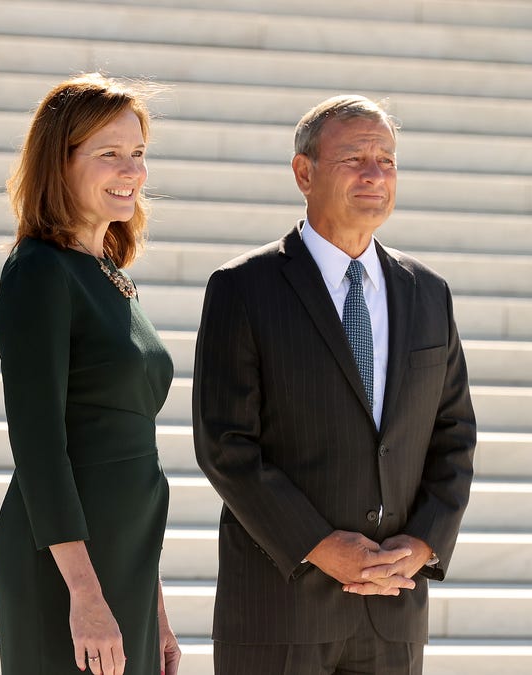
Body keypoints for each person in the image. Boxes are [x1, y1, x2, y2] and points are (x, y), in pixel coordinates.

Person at [192, 94, 477, 674]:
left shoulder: (429, 293)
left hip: (392, 611)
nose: (375, 174)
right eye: (354, 159)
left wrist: (421, 545)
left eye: (388, 160)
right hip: (280, 610)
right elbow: (226, 447)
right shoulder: (243, 288)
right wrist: (322, 547)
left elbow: (454, 436)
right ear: (304, 172)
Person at [0, 73, 181, 675]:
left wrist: (155, 607)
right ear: (60, 162)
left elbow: (129, 448)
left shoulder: (108, 273)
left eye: (138, 153)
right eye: (108, 154)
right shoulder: (39, 272)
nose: (131, 170)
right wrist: (86, 595)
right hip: (67, 571)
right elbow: (39, 447)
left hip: (125, 558)